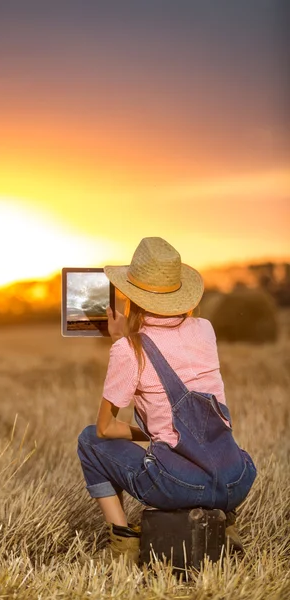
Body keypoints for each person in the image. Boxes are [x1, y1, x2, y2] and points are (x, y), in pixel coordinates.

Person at [77, 237, 257, 564]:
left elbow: (105, 429)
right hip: (236, 477)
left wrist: (122, 341)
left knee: (89, 439)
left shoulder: (127, 351)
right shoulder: (205, 329)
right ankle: (224, 523)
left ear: (131, 297)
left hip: (180, 485)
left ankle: (124, 542)